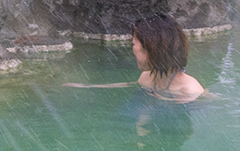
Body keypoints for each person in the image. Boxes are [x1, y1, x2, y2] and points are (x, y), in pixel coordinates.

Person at [64, 14, 208, 102]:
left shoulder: (189, 90)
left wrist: (166, 100)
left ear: (150, 49)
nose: (132, 50)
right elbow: (131, 85)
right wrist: (88, 87)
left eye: (133, 44)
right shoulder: (147, 77)